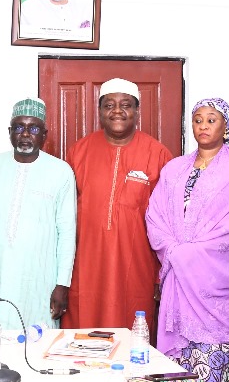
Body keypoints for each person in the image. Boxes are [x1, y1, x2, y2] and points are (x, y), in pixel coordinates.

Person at [146, 98, 229, 382]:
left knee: (215, 367)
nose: (204, 126)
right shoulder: (174, 168)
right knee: (179, 375)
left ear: (227, 126)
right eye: (198, 120)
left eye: (211, 120)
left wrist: (188, 255)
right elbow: (155, 217)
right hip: (179, 282)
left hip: (219, 283)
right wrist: (176, 251)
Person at [63, 78, 172, 333]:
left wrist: (161, 275)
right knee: (82, 336)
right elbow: (64, 216)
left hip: (137, 268)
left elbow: (169, 220)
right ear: (100, 111)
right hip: (85, 266)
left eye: (126, 105)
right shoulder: (79, 152)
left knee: (133, 335)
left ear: (137, 111)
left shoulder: (157, 154)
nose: (117, 111)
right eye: (109, 105)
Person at [0, 97, 76, 330]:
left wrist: (62, 284)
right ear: (10, 132)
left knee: (38, 344)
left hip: (40, 278)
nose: (25, 134)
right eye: (19, 127)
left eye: (33, 128)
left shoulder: (61, 172)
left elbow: (67, 232)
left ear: (44, 134)